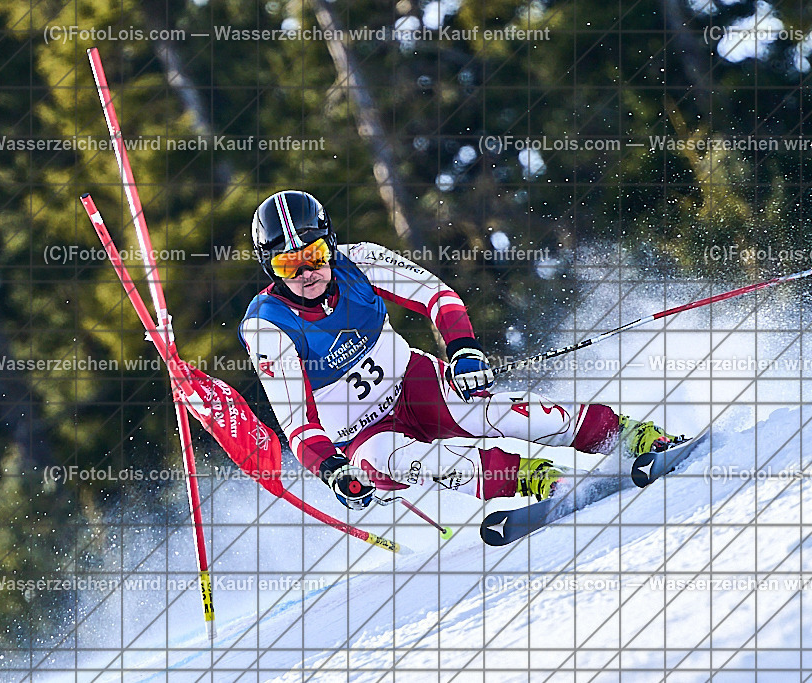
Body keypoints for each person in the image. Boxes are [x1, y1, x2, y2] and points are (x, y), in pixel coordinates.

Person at [239, 191, 681, 510]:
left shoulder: (360, 261)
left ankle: (626, 434)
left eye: (315, 254)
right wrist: (333, 469)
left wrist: (464, 349)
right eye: (288, 264)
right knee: (396, 459)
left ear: (330, 243)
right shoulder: (267, 327)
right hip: (361, 436)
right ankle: (539, 479)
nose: (307, 273)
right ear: (269, 267)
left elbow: (437, 295)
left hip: (415, 385)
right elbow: (297, 424)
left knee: (496, 413)